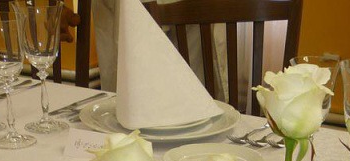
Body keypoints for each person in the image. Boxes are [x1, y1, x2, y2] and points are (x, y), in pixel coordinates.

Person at [58, 0, 227, 99]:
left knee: (194, 94)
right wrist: (58, 5)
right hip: (124, 12)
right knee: (129, 99)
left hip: (193, 18)